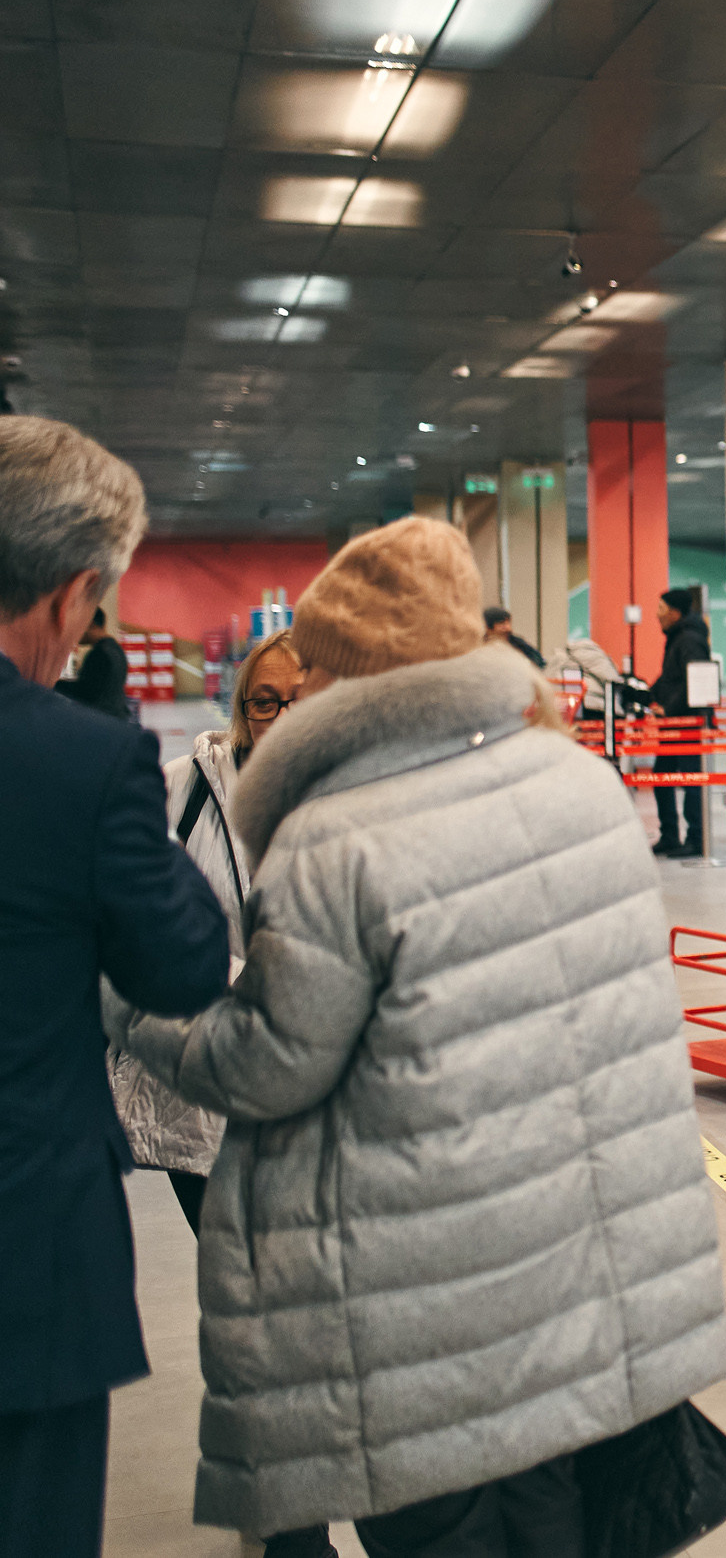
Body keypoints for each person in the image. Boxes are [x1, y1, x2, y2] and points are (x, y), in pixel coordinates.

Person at [105, 517, 726, 1549]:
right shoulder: (577, 782)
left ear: (347, 674)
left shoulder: (340, 832)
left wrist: (134, 1007)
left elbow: (265, 1064)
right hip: (583, 1269)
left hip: (429, 1299)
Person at [0, 416, 230, 1558]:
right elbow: (182, 963)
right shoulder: (80, 760)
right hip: (25, 1253)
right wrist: (113, 765)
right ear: (70, 595)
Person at [109, 629, 303, 1239]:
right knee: (234, 1267)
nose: (280, 717)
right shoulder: (183, 788)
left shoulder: (352, 799)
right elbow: (131, 917)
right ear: (244, 708)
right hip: (202, 1085)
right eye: (264, 701)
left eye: (298, 699)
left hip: (302, 1082)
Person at [650, 586, 715, 858]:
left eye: (661, 610)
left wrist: (668, 708)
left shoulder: (688, 639)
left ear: (675, 613)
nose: (657, 615)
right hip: (675, 721)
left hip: (687, 722)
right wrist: (648, 694)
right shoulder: (678, 638)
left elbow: (695, 680)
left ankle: (697, 838)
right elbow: (671, 679)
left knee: (690, 779)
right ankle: (670, 835)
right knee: (662, 776)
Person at [54, 605, 128, 716]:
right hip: (116, 716)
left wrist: (54, 684)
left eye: (78, 627)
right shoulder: (116, 649)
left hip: (103, 717)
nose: (75, 634)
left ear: (90, 624)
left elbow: (85, 691)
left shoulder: (100, 653)